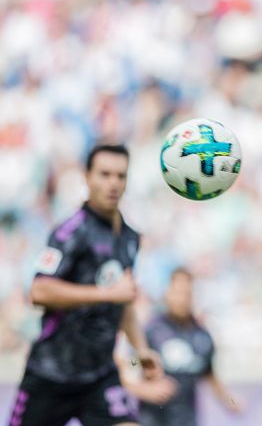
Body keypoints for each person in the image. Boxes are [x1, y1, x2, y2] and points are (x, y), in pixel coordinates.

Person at [7, 144, 160, 426]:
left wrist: (141, 351)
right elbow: (39, 291)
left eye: (120, 176)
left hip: (101, 375)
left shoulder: (129, 237)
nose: (113, 183)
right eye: (104, 174)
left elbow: (122, 302)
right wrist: (106, 294)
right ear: (87, 177)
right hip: (51, 374)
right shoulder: (70, 231)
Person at [117, 267, 241, 426]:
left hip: (187, 420)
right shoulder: (151, 331)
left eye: (186, 293)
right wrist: (144, 389)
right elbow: (131, 363)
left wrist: (229, 400)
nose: (181, 299)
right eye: (177, 292)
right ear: (167, 293)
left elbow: (208, 374)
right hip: (153, 420)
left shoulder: (202, 336)